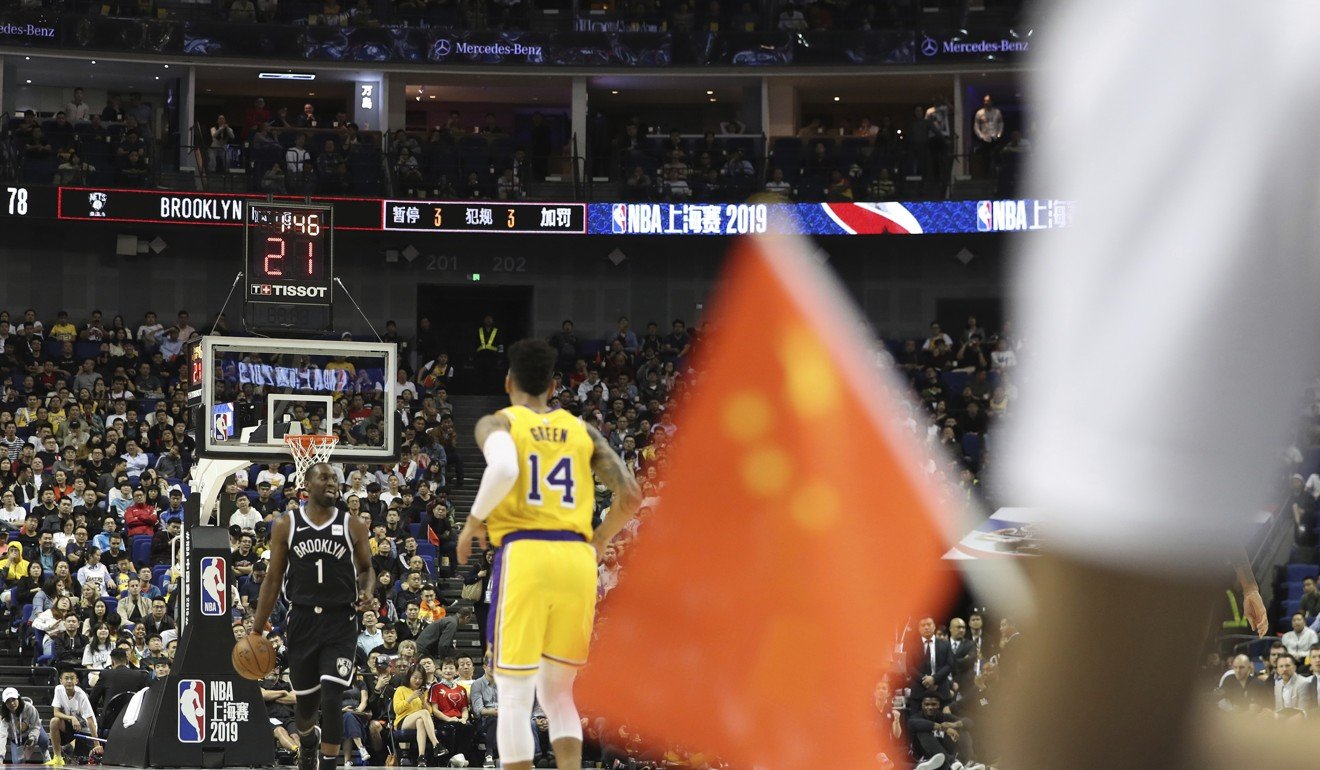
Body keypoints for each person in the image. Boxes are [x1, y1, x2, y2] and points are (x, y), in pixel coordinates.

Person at [455, 339, 641, 770]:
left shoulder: (499, 422)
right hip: (576, 560)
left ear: (508, 382)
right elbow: (631, 495)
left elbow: (503, 469)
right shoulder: (583, 431)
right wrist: (600, 540)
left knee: (516, 695)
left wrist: (472, 521)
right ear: (554, 386)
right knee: (559, 694)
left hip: (526, 554)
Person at [251, 463, 375, 770]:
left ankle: (328, 763)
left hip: (340, 622)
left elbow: (366, 569)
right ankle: (307, 739)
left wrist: (367, 590)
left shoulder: (353, 525)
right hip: (303, 621)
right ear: (306, 484)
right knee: (306, 706)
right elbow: (273, 579)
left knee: (333, 697)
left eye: (335, 478)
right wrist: (256, 629)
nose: (332, 482)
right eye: (325, 477)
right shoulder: (286, 524)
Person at [48, 668, 96, 766]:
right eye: (66, 678)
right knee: (54, 721)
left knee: (83, 763)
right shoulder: (58, 689)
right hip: (72, 728)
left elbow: (91, 721)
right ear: (61, 680)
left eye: (72, 678)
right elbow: (56, 712)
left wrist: (97, 744)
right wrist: (72, 718)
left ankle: (70, 746)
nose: (69, 681)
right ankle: (57, 757)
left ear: (76, 681)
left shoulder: (81, 695)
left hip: (85, 731)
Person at [0, 687, 50, 764]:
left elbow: (35, 726)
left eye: (13, 699)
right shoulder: (4, 717)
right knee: (17, 763)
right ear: (5, 703)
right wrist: (0, 757)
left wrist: (32, 738)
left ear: (18, 698)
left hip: (31, 732)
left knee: (44, 739)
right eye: (8, 701)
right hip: (16, 738)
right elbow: (2, 736)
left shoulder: (29, 708)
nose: (12, 703)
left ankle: (46, 755)